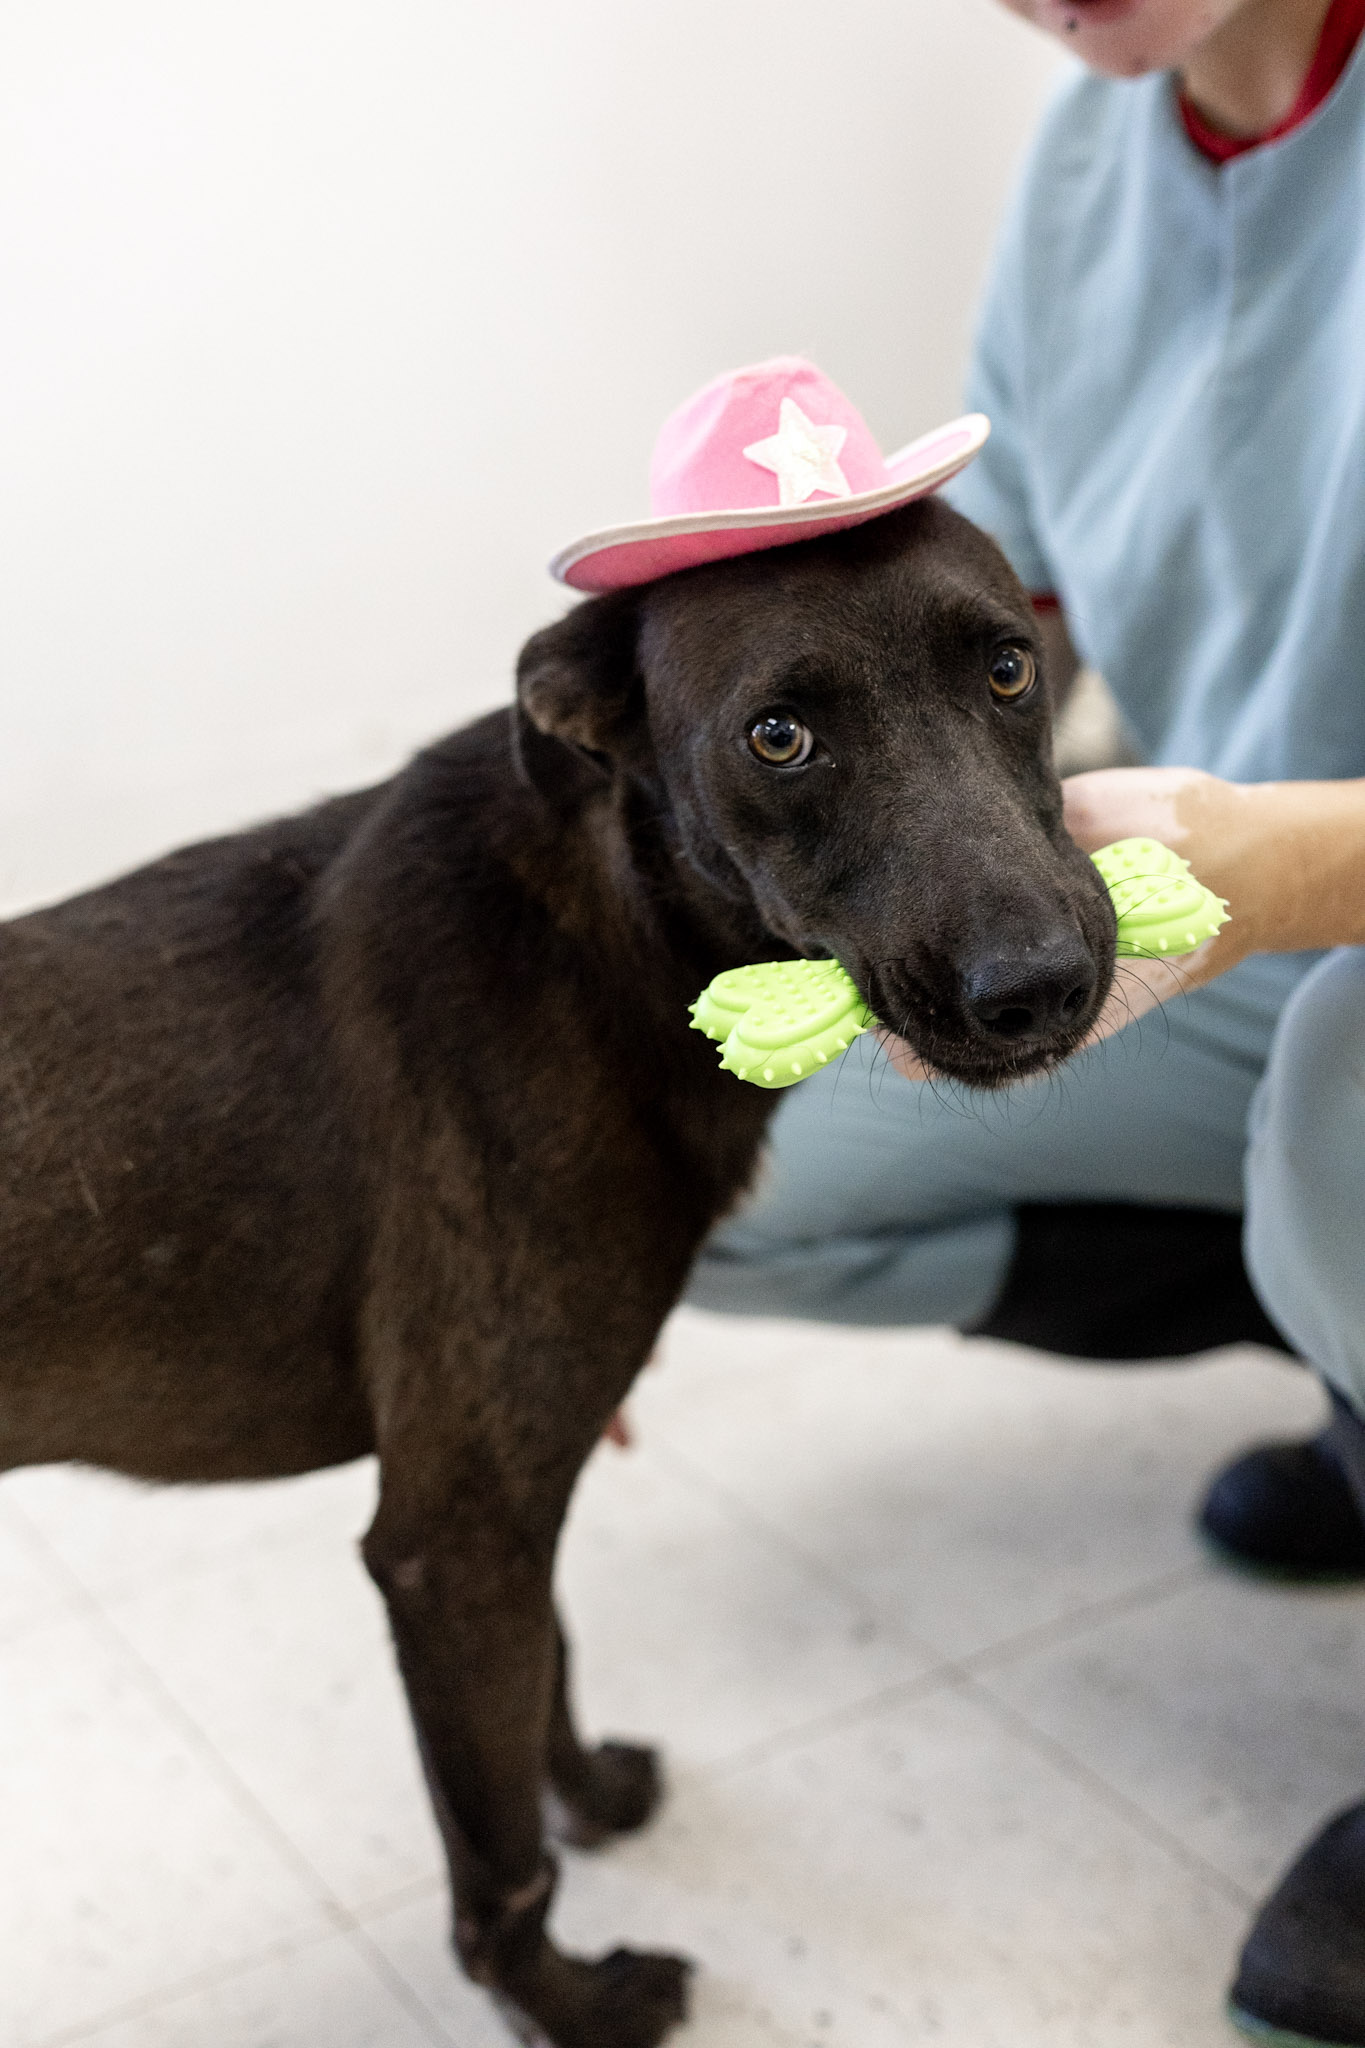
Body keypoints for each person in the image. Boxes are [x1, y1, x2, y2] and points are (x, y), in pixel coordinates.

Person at [684, 0, 1365, 2037]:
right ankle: (1335, 1340)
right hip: (1223, 905)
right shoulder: (1090, 171)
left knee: (1347, 1107)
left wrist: (1275, 872)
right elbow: (1016, 612)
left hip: (1299, 904)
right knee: (689, 1167)